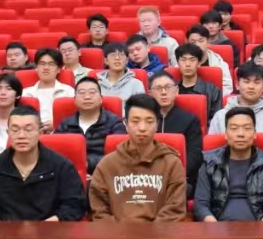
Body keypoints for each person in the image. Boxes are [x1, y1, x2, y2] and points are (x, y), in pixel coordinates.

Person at [0, 104, 86, 222]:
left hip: (50, 230)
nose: (21, 136)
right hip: (5, 230)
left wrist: (47, 226)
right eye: (15, 130)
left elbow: (75, 205)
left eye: (28, 129)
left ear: (40, 132)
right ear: (8, 132)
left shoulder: (62, 166)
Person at [89, 94, 187, 222]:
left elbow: (174, 210)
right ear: (126, 124)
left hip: (160, 233)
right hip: (117, 233)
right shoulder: (107, 164)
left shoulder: (172, 163)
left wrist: (152, 232)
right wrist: (119, 231)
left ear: (157, 124)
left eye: (149, 121)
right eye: (135, 121)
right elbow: (99, 211)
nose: (142, 128)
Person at [193, 106, 263, 222]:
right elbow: (200, 205)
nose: (241, 134)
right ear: (226, 134)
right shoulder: (210, 163)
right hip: (218, 226)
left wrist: (262, 227)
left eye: (247, 128)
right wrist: (215, 228)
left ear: (255, 134)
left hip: (259, 227)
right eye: (234, 128)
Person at [208, 62, 263, 161]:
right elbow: (212, 149)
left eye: (257, 82)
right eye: (246, 81)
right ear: (237, 85)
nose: (251, 86)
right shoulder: (220, 116)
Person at [148, 70, 202, 198]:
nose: (163, 92)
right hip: (148, 178)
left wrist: (171, 174)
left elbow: (194, 157)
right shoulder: (144, 120)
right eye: (158, 88)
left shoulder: (189, 120)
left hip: (178, 178)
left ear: (176, 91)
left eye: (168, 87)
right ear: (150, 94)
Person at [55, 76, 126, 173]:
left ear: (101, 99)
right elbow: (55, 153)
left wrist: (88, 164)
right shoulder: (65, 124)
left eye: (92, 92)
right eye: (81, 93)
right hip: (71, 173)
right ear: (75, 100)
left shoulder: (114, 122)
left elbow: (120, 154)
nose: (87, 97)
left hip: (104, 172)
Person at [21, 47, 75, 132]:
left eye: (51, 64)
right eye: (42, 64)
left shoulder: (69, 92)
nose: (46, 67)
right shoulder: (25, 93)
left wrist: (57, 124)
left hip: (62, 133)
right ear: (36, 67)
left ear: (59, 69)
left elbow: (75, 117)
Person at [175, 43, 223, 122]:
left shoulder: (213, 90)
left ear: (199, 63)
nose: (187, 64)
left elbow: (216, 121)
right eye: (183, 60)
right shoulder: (171, 89)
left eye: (192, 60)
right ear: (178, 63)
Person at [187, 26, 234, 95]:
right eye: (193, 42)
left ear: (208, 41)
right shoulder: (182, 61)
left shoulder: (218, 62)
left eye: (201, 41)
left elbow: (227, 87)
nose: (197, 45)